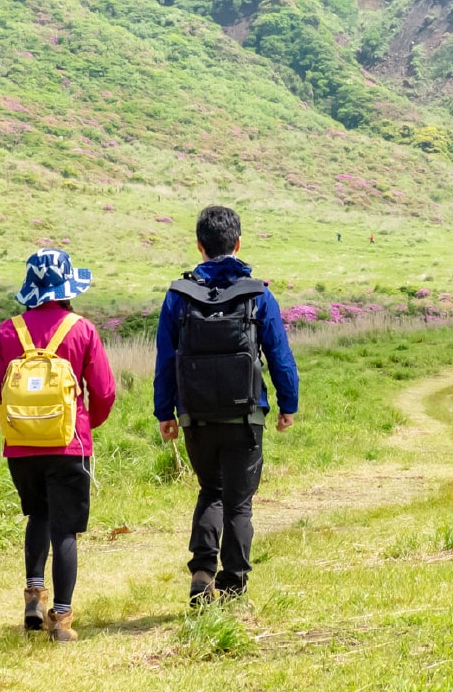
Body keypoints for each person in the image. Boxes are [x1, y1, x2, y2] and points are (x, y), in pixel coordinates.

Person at [155, 205, 299, 605]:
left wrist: (164, 412)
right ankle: (233, 586)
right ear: (238, 243)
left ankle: (202, 572)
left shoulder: (178, 297)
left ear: (199, 246)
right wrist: (288, 404)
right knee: (239, 501)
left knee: (210, 491)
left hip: (196, 417)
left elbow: (166, 360)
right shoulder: (258, 294)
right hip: (245, 414)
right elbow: (280, 356)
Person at [0, 250, 116, 642]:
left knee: (38, 516)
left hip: (21, 446)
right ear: (68, 287)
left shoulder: (9, 331)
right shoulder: (83, 329)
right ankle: (63, 621)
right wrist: (87, 427)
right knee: (65, 530)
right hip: (69, 445)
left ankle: (34, 594)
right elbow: (103, 392)